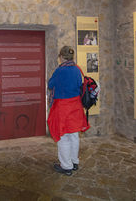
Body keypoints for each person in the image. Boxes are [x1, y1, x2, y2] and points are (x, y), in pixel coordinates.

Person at [47, 46, 90, 176]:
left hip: (63, 106)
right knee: (74, 135)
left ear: (61, 57)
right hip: (76, 106)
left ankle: (66, 166)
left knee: (63, 136)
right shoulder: (77, 69)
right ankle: (74, 161)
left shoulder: (60, 71)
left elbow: (50, 85)